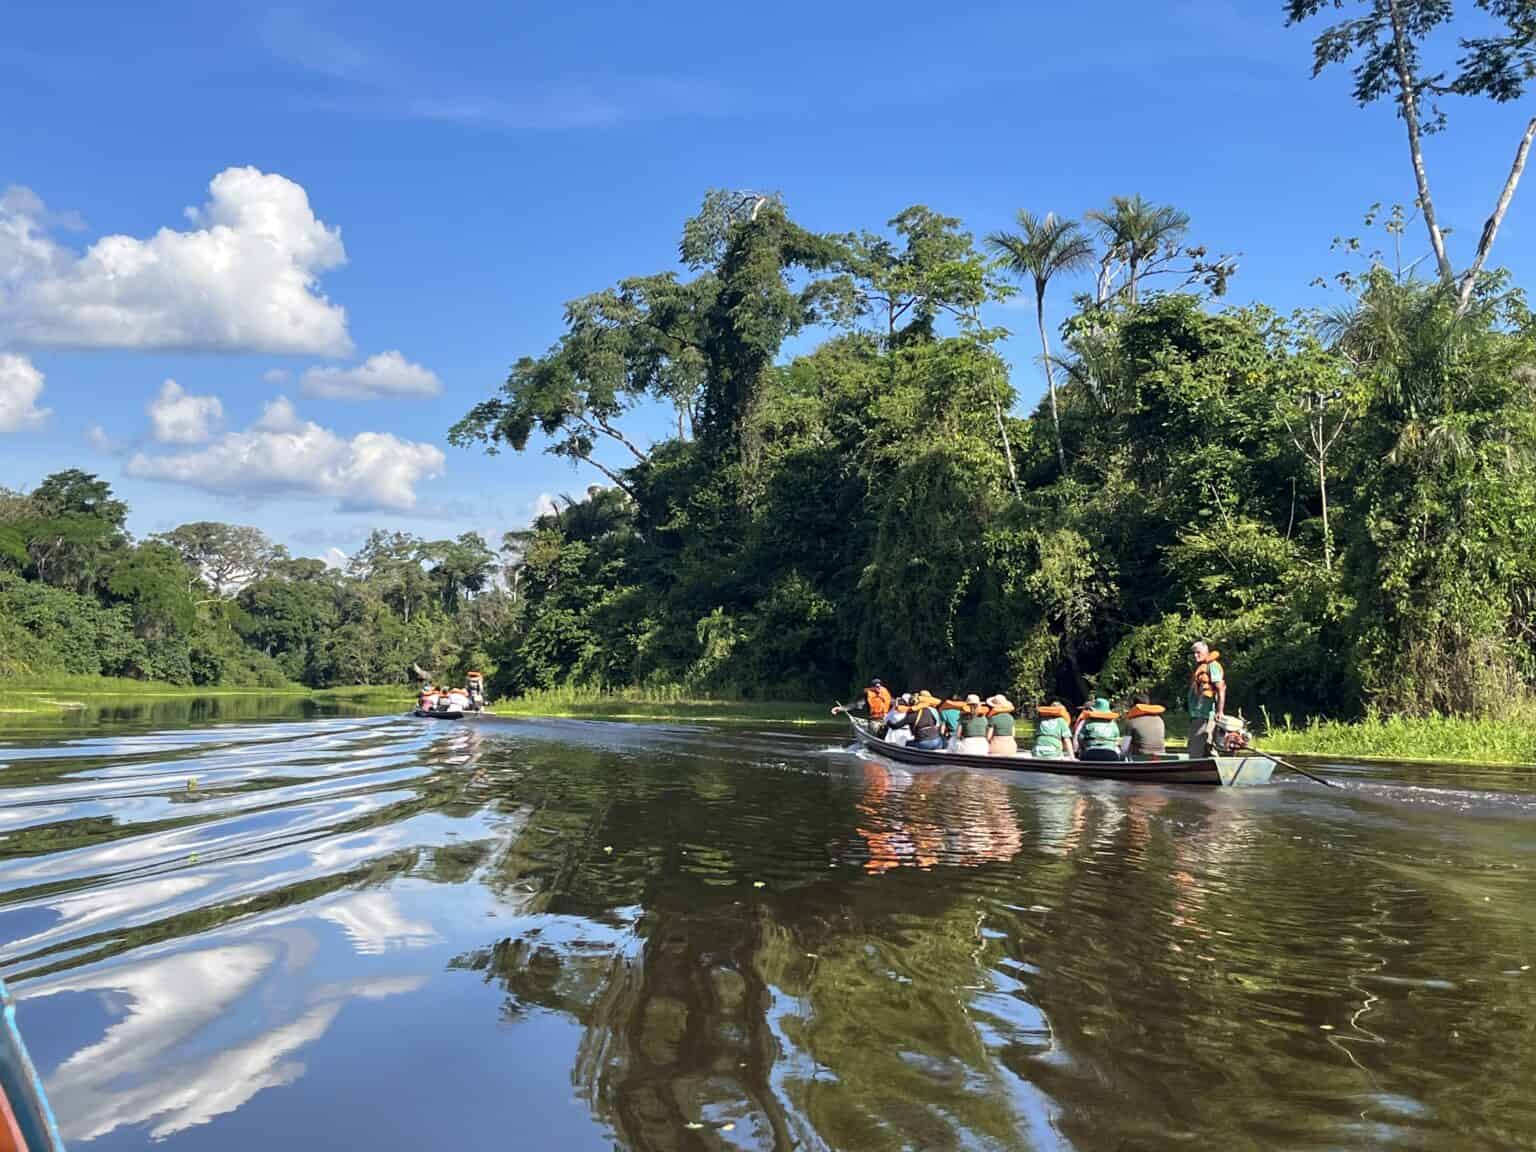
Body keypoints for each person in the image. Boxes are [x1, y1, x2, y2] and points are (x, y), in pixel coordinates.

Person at [1187, 641, 1226, 758]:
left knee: (1196, 749)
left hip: (1206, 715)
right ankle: (1206, 770)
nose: (1195, 655)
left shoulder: (1212, 666)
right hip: (1198, 714)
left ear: (1206, 652)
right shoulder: (1201, 667)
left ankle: (1199, 770)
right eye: (1194, 653)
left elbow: (1221, 689)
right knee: (1202, 747)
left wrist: (1220, 712)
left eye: (1198, 652)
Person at [1121, 692, 1166, 758]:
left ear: (1134, 706)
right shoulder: (1160, 719)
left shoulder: (1131, 722)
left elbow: (1124, 748)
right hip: (1161, 754)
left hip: (1141, 757)